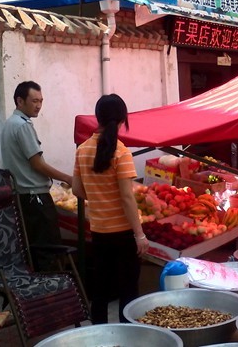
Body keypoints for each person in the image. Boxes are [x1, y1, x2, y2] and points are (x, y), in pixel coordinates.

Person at [71, 94, 149, 324]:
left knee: (100, 292)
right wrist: (140, 235)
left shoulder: (82, 150)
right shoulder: (121, 152)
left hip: (99, 232)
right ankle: (127, 335)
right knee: (128, 291)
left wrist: (98, 195)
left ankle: (98, 335)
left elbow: (76, 189)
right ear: (123, 119)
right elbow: (126, 197)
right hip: (124, 234)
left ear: (98, 118)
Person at [0, 81, 72, 271]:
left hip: (22, 197)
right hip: (35, 197)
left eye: (41, 101)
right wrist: (68, 178)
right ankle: (50, 286)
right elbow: (37, 163)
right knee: (48, 251)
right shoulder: (22, 126)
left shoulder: (9, 124)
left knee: (34, 249)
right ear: (20, 101)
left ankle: (40, 284)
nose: (39, 105)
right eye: (34, 101)